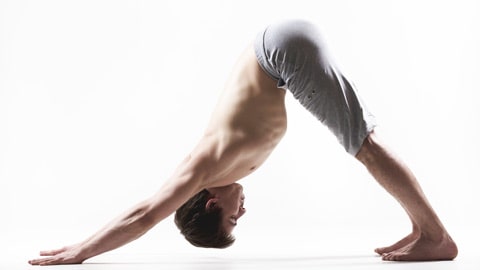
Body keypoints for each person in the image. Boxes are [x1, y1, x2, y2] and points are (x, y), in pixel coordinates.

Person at [28, 20, 457, 265]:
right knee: (362, 142)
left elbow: (143, 216)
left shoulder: (201, 169)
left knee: (364, 145)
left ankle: (436, 237)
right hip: (280, 52)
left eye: (233, 220)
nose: (242, 212)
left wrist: (81, 251)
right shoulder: (219, 169)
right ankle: (423, 228)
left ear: (212, 205)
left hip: (279, 54)